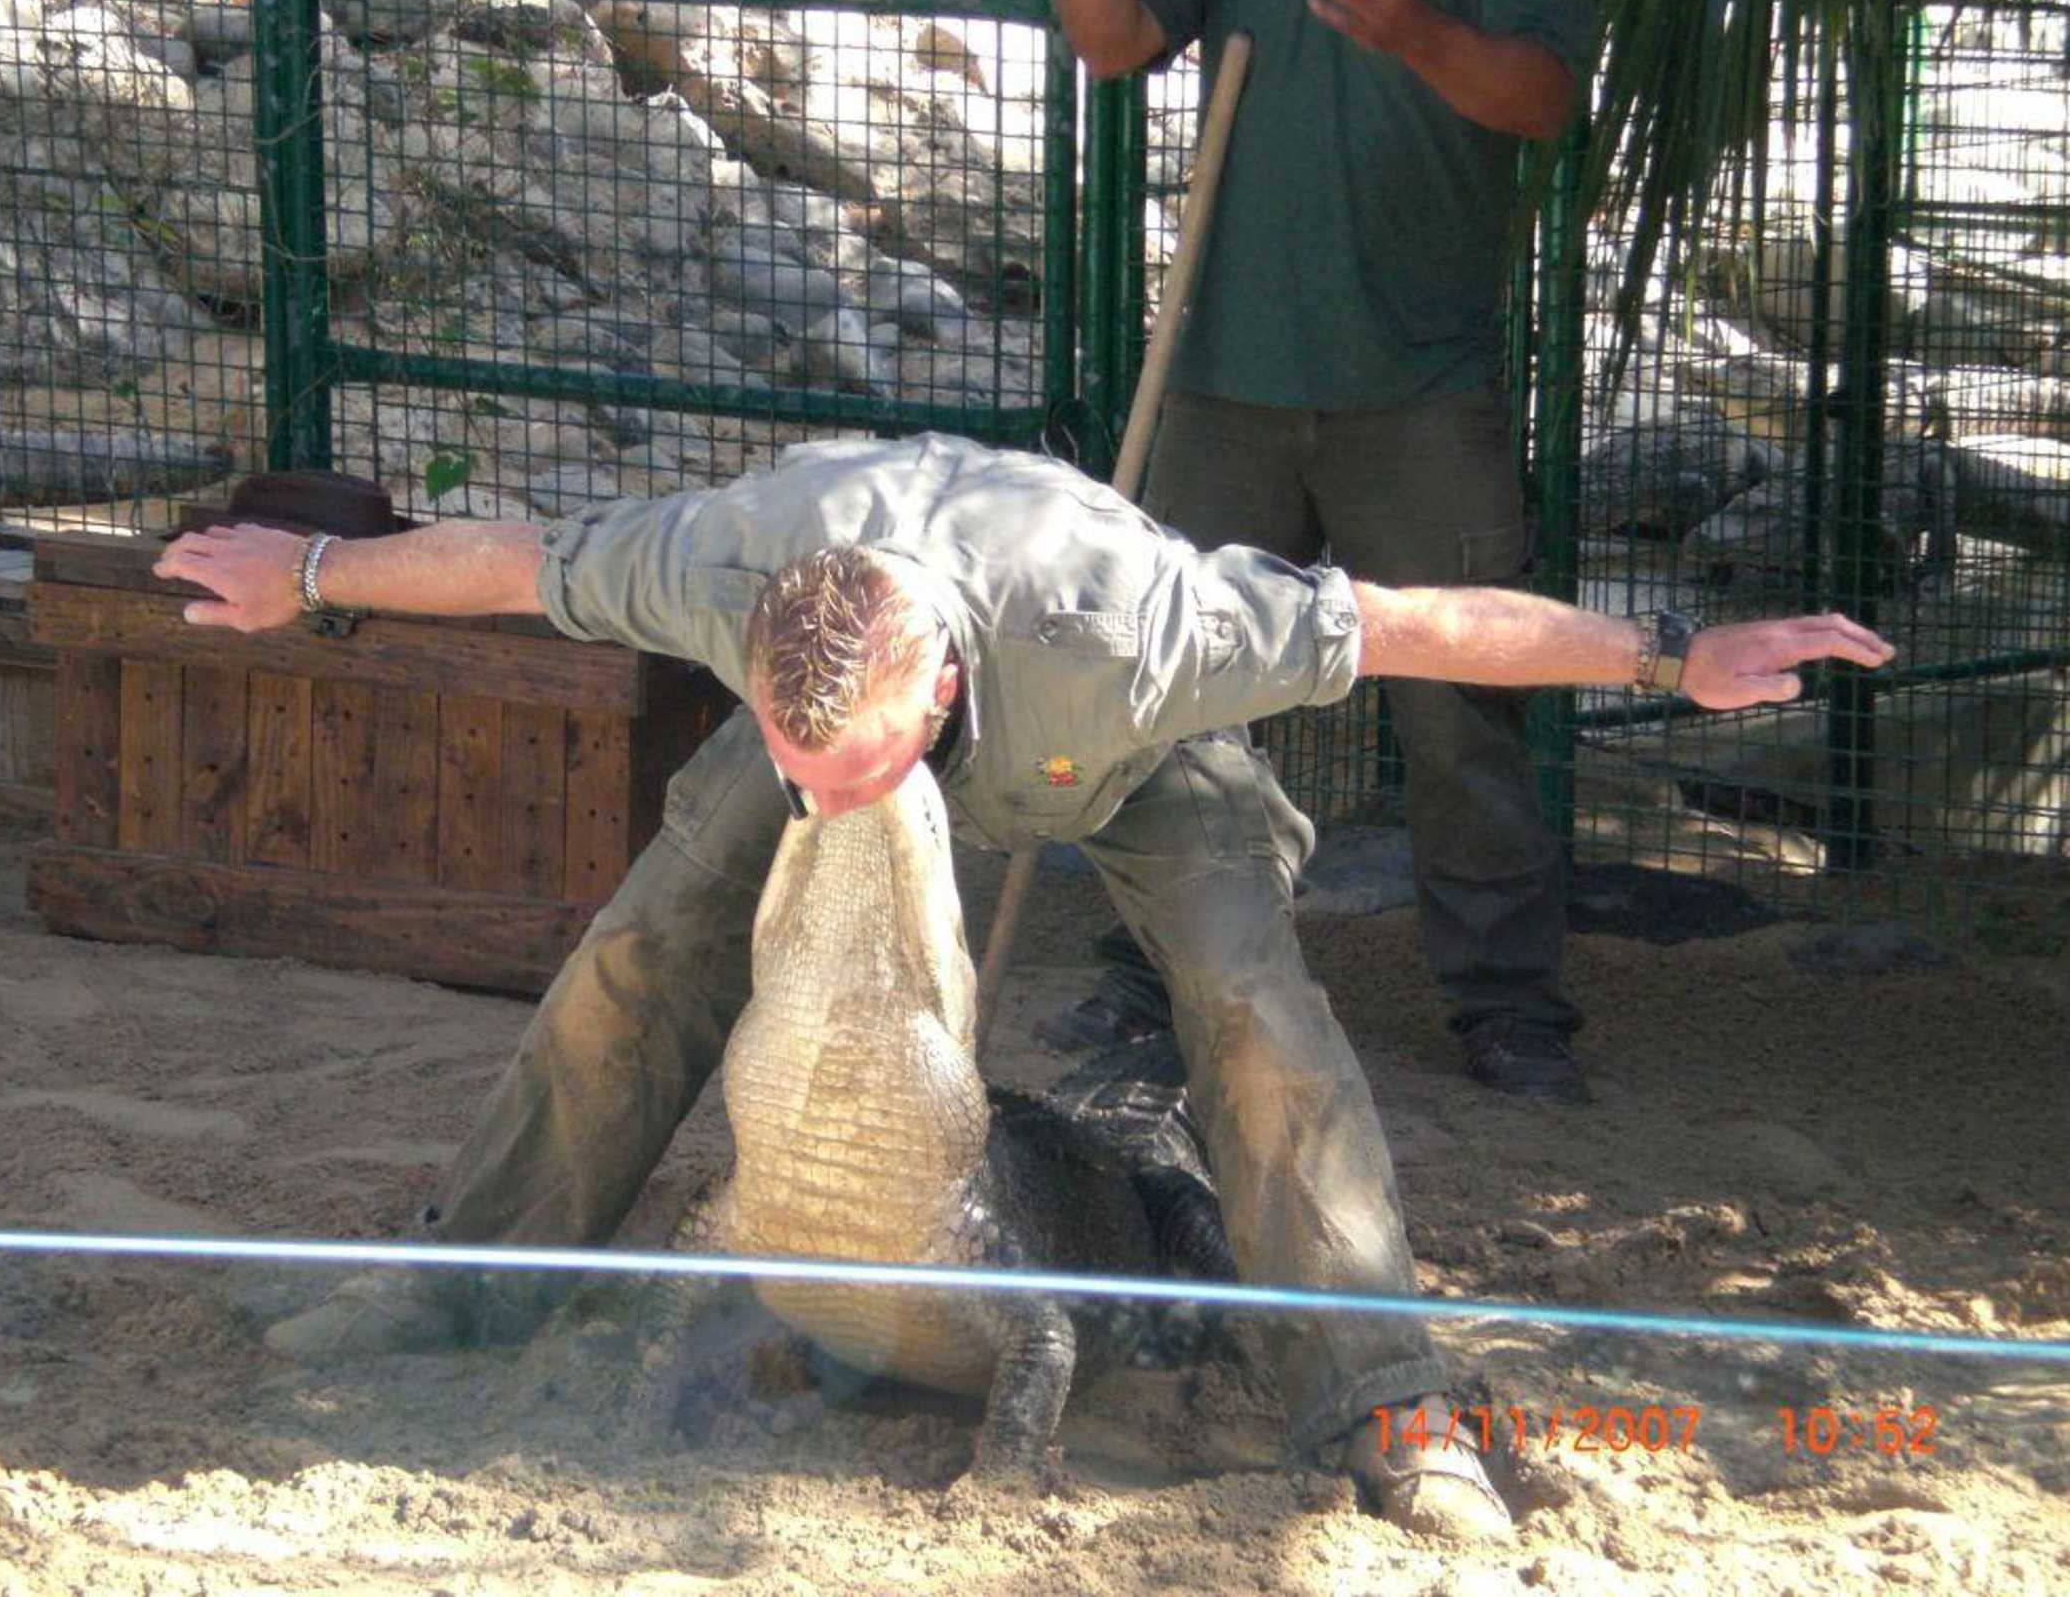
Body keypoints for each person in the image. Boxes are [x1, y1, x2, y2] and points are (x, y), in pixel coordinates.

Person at [154, 433, 1892, 1539]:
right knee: (639, 945)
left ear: (934, 687)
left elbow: (1415, 623)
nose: (834, 802)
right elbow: (517, 560)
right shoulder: (724, 565)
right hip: (851, 701)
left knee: (1258, 1024)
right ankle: (467, 1278)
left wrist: (1678, 656)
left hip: (1121, 757)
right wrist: (304, 576)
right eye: (800, 758)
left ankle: (1381, 1400)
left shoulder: (1142, 628)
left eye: (856, 768)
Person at [1048, 0, 1609, 1102]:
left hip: (1422, 385)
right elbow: (1110, 41)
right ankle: (1158, 973)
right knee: (1176, 693)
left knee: (1462, 706)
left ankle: (1508, 1004)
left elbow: (1545, 98)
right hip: (1226, 379)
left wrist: (1415, 32)